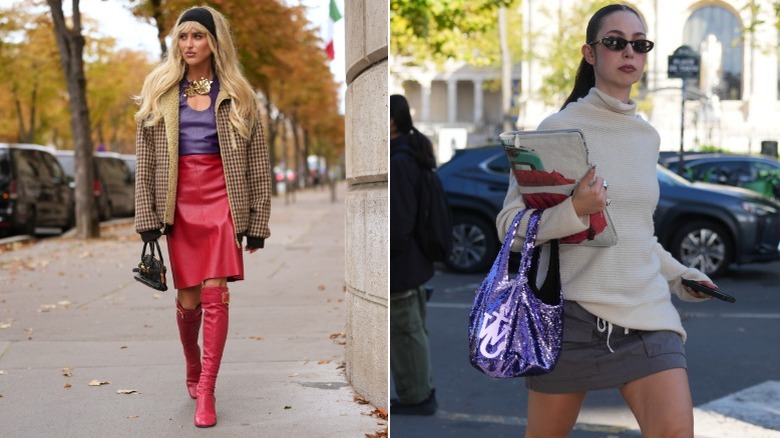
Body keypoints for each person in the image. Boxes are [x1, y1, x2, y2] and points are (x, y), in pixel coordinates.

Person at [496, 5, 716, 437]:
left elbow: (638, 233)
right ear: (591, 54)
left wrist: (681, 276)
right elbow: (509, 227)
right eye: (615, 42)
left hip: (647, 317)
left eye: (640, 44)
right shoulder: (556, 129)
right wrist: (574, 210)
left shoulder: (647, 137)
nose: (628, 52)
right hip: (570, 318)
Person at [133, 5, 271, 428]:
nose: (189, 44)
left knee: (216, 295)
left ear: (214, 42)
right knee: (188, 298)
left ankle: (207, 389)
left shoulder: (239, 94)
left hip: (222, 200)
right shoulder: (159, 90)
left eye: (198, 36)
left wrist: (257, 222)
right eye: (183, 36)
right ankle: (192, 365)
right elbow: (146, 158)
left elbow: (257, 162)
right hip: (178, 202)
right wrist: (147, 213)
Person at [389, 94, 438, 416]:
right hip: (416, 261)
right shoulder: (411, 152)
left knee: (407, 334)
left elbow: (399, 221)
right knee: (414, 331)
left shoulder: (399, 161)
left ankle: (416, 398)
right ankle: (419, 393)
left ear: (392, 121)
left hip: (403, 264)